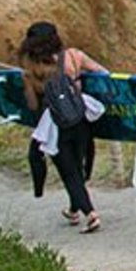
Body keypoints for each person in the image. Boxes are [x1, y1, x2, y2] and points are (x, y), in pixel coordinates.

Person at [18, 21, 107, 233]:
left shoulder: (31, 68)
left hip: (57, 125)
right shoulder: (74, 56)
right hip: (81, 118)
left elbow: (32, 104)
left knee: (69, 173)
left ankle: (90, 213)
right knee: (76, 167)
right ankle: (74, 209)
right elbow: (103, 74)